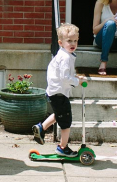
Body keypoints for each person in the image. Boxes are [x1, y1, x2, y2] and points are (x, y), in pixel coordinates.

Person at [32, 23, 84, 156]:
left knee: (59, 113)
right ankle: (62, 147)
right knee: (66, 121)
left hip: (55, 92)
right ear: (60, 42)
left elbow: (65, 75)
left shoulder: (64, 54)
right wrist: (77, 81)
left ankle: (41, 127)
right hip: (58, 93)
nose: (73, 44)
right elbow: (65, 78)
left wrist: (75, 76)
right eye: (69, 41)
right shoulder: (65, 57)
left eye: (75, 41)